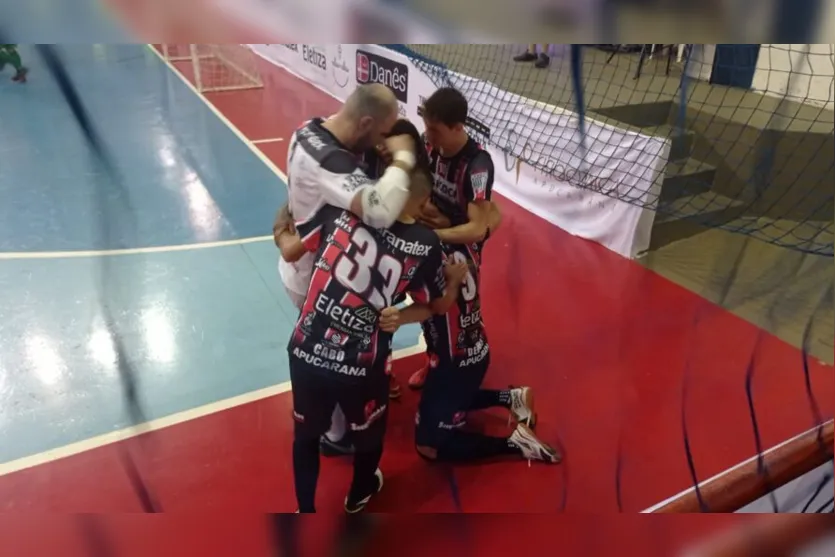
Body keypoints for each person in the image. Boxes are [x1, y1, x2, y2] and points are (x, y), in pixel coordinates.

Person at [277, 169, 468, 513]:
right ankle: (359, 494)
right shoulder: (425, 242)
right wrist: (452, 281)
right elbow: (438, 305)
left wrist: (284, 215)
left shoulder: (338, 209)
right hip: (362, 364)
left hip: (307, 348)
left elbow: (290, 245)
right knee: (368, 435)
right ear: (423, 202)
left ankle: (304, 511)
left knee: (305, 436)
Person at [274, 85, 417, 458]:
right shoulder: (329, 160)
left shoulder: (309, 128)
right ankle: (337, 437)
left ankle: (335, 428)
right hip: (318, 283)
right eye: (383, 133)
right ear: (367, 122)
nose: (384, 143)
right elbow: (379, 210)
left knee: (331, 356)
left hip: (312, 272)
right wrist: (402, 160)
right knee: (337, 360)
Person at [407, 241, 561, 465]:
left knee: (428, 446)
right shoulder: (468, 238)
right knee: (447, 399)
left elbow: (437, 305)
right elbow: (487, 220)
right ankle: (510, 397)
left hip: (452, 361)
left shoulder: (420, 251)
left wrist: (389, 319)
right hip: (474, 347)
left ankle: (515, 443)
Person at [408, 87, 502, 389]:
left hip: (461, 254)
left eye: (435, 130)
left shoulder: (478, 164)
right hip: (433, 242)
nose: (429, 136)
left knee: (462, 318)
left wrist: (435, 233)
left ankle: (465, 376)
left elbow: (476, 228)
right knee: (429, 309)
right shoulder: (429, 146)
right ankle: (433, 361)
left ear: (457, 127)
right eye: (427, 127)